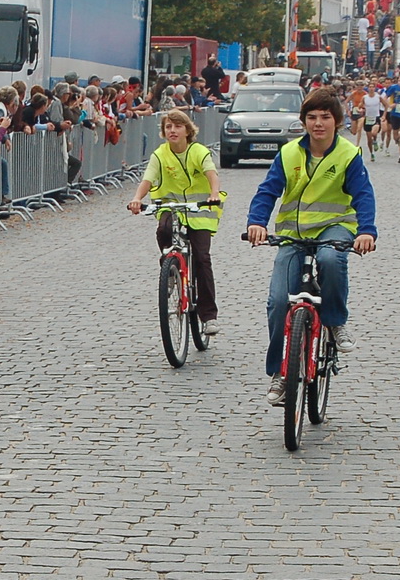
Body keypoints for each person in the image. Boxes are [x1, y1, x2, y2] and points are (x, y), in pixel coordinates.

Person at [245, 89, 378, 406]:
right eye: (312, 117)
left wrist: (367, 231)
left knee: (331, 260)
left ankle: (334, 321)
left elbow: (363, 196)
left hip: (335, 229)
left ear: (338, 121)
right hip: (293, 233)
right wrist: (257, 222)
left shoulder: (348, 155)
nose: (318, 124)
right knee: (279, 301)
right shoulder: (289, 153)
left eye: (325, 117)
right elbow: (268, 191)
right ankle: (280, 371)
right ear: (304, 121)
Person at [126, 110, 225, 336]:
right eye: (168, 126)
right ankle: (169, 266)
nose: (172, 130)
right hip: (170, 206)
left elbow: (211, 173)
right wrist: (136, 199)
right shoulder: (160, 155)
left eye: (177, 126)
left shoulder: (198, 151)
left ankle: (208, 316)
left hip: (199, 209)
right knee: (164, 229)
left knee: (202, 258)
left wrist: (213, 193)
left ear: (187, 130)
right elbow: (148, 179)